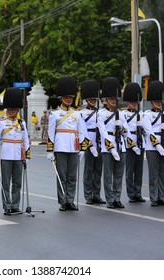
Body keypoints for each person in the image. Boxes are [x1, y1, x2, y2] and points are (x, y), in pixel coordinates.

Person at [47, 76, 96, 211]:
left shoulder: (77, 114)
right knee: (62, 176)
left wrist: (82, 148)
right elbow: (51, 133)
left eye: (70, 97)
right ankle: (63, 201)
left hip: (74, 148)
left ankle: (70, 200)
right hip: (60, 147)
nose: (69, 99)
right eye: (66, 97)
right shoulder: (55, 115)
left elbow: (82, 132)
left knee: (72, 177)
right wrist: (50, 151)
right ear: (61, 98)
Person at [98, 77, 140, 209]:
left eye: (115, 99)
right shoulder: (101, 114)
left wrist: (122, 128)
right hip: (108, 146)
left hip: (120, 145)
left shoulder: (121, 114)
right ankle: (109, 199)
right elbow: (103, 132)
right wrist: (111, 149)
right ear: (105, 100)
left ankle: (117, 197)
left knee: (118, 175)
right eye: (111, 99)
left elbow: (126, 131)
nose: (113, 102)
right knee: (108, 175)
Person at [0, 87, 31, 215]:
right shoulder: (2, 123)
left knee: (17, 183)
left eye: (13, 109)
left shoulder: (22, 123)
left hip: (19, 156)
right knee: (6, 183)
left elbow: (26, 140)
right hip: (6, 155)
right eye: (9, 109)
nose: (11, 111)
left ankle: (15, 205)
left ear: (17, 109)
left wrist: (27, 155)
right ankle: (7, 205)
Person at [142, 81, 164, 207]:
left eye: (160, 100)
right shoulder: (147, 115)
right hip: (152, 147)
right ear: (151, 102)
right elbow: (149, 131)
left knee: (163, 174)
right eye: (156, 100)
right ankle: (153, 197)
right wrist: (157, 145)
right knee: (154, 173)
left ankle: (162, 196)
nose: (158, 102)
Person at [79, 79, 105, 205]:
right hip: (89, 143)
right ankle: (88, 195)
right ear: (86, 100)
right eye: (91, 99)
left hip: (99, 142)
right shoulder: (82, 113)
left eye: (95, 99)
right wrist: (89, 145)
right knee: (88, 171)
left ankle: (97, 194)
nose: (93, 101)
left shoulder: (100, 113)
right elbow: (82, 131)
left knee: (98, 171)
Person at [121, 82, 146, 203]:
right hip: (129, 143)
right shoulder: (123, 114)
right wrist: (132, 144)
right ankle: (131, 193)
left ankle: (138, 192)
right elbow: (124, 130)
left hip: (140, 142)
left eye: (135, 102)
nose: (133, 104)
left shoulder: (142, 114)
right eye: (131, 102)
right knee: (130, 170)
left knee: (139, 170)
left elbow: (148, 129)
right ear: (127, 102)